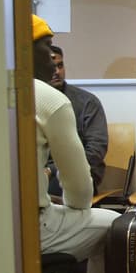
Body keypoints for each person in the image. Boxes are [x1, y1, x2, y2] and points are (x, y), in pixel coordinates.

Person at [32, 14, 118, 273]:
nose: (52, 59)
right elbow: (81, 193)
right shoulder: (48, 98)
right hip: (32, 226)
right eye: (46, 48)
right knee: (114, 225)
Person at [47, 45, 109, 196]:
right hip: (42, 172)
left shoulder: (87, 102)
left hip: (81, 170)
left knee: (51, 188)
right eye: (51, 67)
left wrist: (53, 170)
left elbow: (96, 150)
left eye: (60, 66)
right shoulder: (31, 102)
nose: (57, 72)